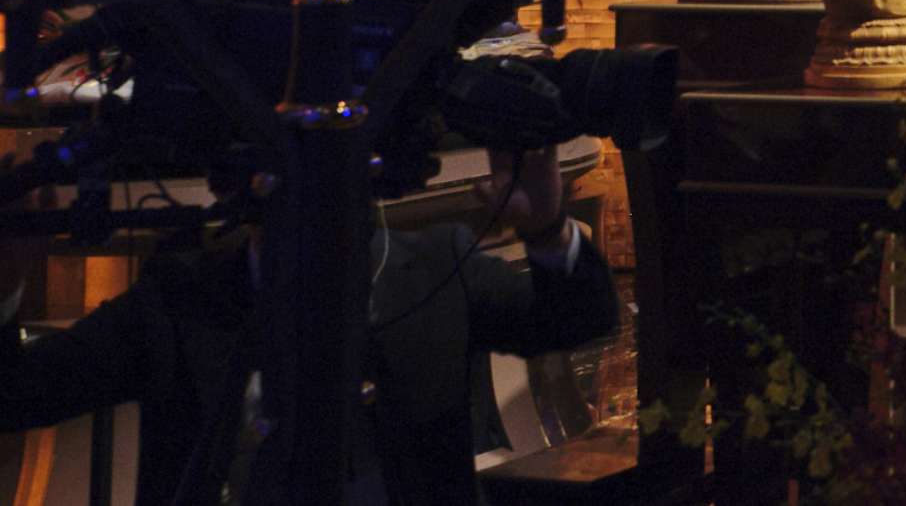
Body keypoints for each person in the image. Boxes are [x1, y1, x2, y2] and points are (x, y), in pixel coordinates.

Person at [0, 145, 618, 504]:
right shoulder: (181, 296)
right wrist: (6, 280)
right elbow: (15, 394)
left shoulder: (438, 268)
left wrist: (546, 228)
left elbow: (579, 319)